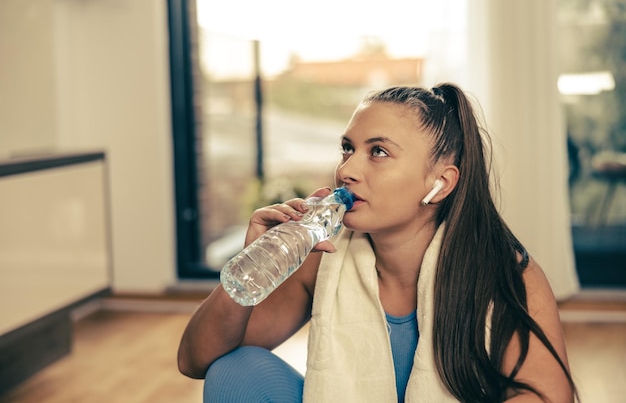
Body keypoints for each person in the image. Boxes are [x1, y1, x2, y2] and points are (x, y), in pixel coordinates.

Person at [178, 83, 578, 402]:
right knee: (235, 371)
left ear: (440, 183)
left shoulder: (508, 275)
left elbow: (546, 396)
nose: (346, 170)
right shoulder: (326, 261)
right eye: (347, 149)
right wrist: (250, 270)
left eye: (379, 152)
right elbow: (196, 359)